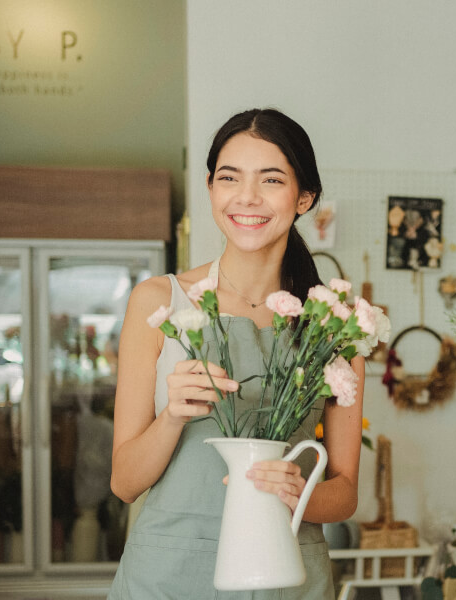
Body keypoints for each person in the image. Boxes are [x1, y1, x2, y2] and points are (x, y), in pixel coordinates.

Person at [108, 108, 365, 599]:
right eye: (229, 178)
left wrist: (298, 493)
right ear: (211, 189)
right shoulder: (159, 303)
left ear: (304, 197)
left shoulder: (334, 327)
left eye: (271, 179)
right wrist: (172, 418)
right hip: (169, 574)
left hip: (285, 575)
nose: (247, 197)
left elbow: (346, 491)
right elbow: (124, 482)